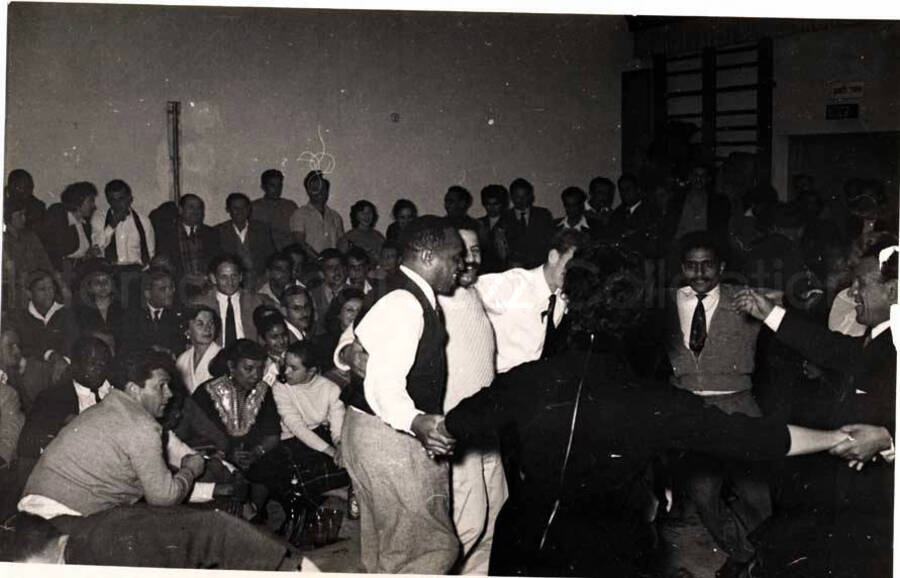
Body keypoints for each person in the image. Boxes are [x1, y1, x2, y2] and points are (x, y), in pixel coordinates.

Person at [431, 242, 854, 577]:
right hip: (606, 552)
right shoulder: (653, 401)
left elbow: (456, 422)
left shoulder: (526, 378)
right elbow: (754, 438)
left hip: (521, 545)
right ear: (636, 314)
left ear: (569, 300)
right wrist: (839, 437)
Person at [17, 349, 293, 569]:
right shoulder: (140, 425)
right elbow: (163, 497)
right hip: (61, 524)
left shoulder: (110, 410)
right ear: (135, 390)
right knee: (196, 530)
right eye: (161, 386)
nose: (169, 394)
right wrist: (190, 470)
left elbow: (153, 484)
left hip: (37, 519)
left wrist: (211, 488)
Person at [734, 241, 897, 578]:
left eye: (861, 283)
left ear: (893, 291)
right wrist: (770, 313)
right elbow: (831, 347)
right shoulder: (881, 337)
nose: (852, 292)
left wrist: (889, 439)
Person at [339, 215, 464, 573]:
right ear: (427, 256)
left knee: (386, 554)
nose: (462, 265)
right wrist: (416, 421)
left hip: (369, 431)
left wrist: (346, 354)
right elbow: (385, 383)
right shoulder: (406, 303)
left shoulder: (390, 289)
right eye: (454, 257)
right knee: (428, 551)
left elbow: (350, 338)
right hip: (392, 437)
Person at [661, 231, 771, 578]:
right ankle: (742, 553)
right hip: (692, 412)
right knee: (704, 497)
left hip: (740, 406)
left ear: (721, 267)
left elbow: (791, 310)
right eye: (691, 266)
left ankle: (768, 554)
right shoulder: (665, 303)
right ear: (682, 268)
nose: (699, 273)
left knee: (757, 497)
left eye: (707, 265)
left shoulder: (745, 300)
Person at [192, 339, 282, 523]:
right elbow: (196, 438)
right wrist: (228, 455)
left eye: (260, 369)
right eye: (248, 369)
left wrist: (256, 453)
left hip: (254, 457)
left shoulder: (264, 391)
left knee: (272, 464)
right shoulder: (206, 392)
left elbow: (272, 434)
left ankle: (253, 514)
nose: (255, 375)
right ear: (231, 367)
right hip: (218, 457)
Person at [475, 228, 584, 374]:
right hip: (498, 380)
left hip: (530, 382)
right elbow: (464, 291)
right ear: (553, 256)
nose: (573, 272)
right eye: (570, 264)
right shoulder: (514, 284)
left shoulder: (563, 298)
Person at [265, 341, 349, 505]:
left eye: (294, 368)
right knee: (294, 478)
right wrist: (331, 452)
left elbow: (337, 424)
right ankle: (332, 491)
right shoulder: (280, 387)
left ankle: (326, 489)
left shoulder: (331, 388)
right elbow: (297, 427)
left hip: (319, 434)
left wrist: (339, 445)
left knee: (345, 464)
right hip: (289, 438)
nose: (287, 372)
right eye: (286, 365)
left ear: (311, 371)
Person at [16, 337, 113, 460]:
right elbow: (27, 445)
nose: (99, 370)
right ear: (75, 365)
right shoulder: (51, 398)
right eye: (92, 363)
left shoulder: (117, 392)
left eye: (103, 363)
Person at [190, 254, 273, 347]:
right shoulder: (201, 303)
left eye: (234, 276)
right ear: (213, 279)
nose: (230, 282)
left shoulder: (257, 301)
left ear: (241, 277)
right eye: (224, 277)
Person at [154, 194, 221, 295]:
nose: (195, 211)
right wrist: (186, 279)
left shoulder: (212, 234)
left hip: (207, 289)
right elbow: (164, 266)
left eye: (199, 208)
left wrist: (206, 278)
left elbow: (217, 262)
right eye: (191, 207)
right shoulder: (167, 235)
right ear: (181, 210)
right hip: (178, 290)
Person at [13, 270, 77, 371]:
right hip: (32, 371)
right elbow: (25, 346)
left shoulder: (65, 314)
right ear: (29, 293)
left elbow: (72, 342)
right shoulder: (20, 318)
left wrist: (64, 361)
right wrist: (50, 355)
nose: (48, 293)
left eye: (51, 288)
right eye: (42, 289)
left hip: (64, 369)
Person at [3, 196, 56, 310]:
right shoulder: (4, 239)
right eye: (20, 215)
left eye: (25, 214)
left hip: (35, 285)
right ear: (8, 218)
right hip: (12, 289)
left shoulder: (30, 236)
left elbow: (45, 262)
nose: (24, 219)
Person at [216, 192, 276, 290]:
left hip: (261, 281)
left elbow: (271, 257)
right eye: (235, 208)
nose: (240, 211)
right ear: (228, 210)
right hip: (231, 283)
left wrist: (265, 278)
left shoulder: (262, 229)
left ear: (249, 209)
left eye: (243, 208)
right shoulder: (219, 231)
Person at [118, 267, 184, 356]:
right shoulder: (132, 316)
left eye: (171, 287)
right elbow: (128, 346)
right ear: (148, 294)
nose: (170, 293)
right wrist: (151, 349)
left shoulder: (180, 314)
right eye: (162, 289)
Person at [39, 181, 101, 274]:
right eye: (90, 201)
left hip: (80, 270)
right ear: (78, 202)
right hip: (62, 272)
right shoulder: (59, 218)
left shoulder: (85, 224)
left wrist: (88, 254)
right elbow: (54, 252)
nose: (93, 205)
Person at [90, 179, 155, 268]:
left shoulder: (143, 221)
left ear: (129, 198)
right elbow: (96, 248)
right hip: (110, 273)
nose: (117, 204)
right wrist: (111, 226)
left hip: (137, 273)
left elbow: (150, 253)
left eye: (121, 199)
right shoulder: (100, 219)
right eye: (113, 200)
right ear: (108, 201)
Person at [499, 178, 555, 269]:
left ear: (531, 196)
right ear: (511, 197)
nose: (521, 200)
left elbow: (550, 241)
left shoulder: (543, 215)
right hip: (513, 268)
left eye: (524, 196)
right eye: (517, 196)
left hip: (539, 267)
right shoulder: (504, 217)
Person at [290, 170, 344, 259]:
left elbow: (341, 243)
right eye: (315, 189)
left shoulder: (335, 216)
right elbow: (299, 243)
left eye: (323, 189)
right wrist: (319, 260)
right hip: (309, 265)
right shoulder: (299, 214)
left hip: (333, 265)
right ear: (308, 191)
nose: (320, 192)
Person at [175, 305, 222, 395]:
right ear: (187, 330)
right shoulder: (182, 360)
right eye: (200, 324)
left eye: (211, 323)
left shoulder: (222, 356)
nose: (208, 329)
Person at [608, 173, 659, 256]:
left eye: (628, 189)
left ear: (637, 189)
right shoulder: (617, 214)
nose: (625, 193)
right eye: (622, 190)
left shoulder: (651, 210)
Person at [317, 287, 364, 372]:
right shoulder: (323, 343)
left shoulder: (370, 339)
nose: (356, 315)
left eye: (359, 310)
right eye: (350, 310)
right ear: (338, 313)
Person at [251, 169, 299, 251]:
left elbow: (298, 233)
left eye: (279, 185)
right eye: (272, 185)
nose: (277, 189)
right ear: (263, 187)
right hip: (262, 252)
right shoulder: (253, 207)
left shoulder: (290, 206)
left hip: (288, 252)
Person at [310, 248, 348, 335]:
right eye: (330, 267)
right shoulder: (313, 295)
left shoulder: (354, 293)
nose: (336, 270)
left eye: (339, 266)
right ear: (321, 274)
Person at [477, 185, 510, 273]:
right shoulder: (478, 223)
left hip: (504, 271)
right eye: (488, 204)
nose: (491, 208)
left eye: (496, 204)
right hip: (483, 272)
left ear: (503, 204)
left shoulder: (511, 222)